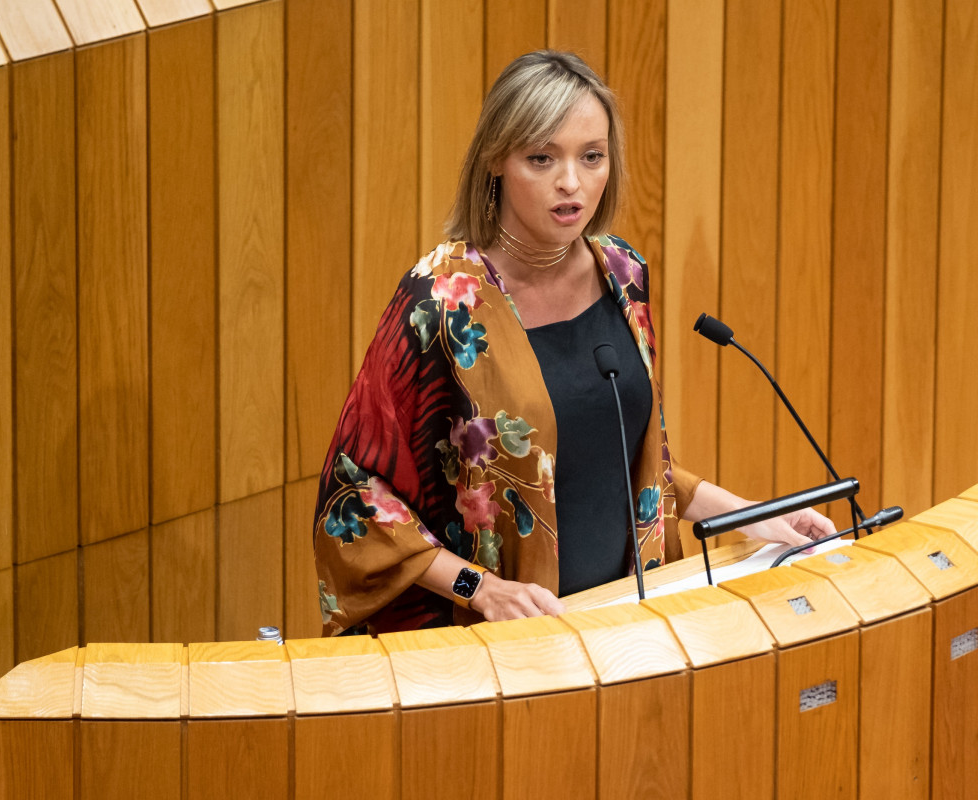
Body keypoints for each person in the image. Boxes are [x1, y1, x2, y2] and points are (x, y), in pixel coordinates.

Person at [313, 50, 834, 636]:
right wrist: (479, 589)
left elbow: (622, 464)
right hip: (508, 645)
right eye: (542, 158)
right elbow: (354, 500)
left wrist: (751, 515)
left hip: (631, 623)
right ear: (495, 160)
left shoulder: (622, 272)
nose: (571, 183)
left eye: (592, 157)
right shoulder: (440, 300)